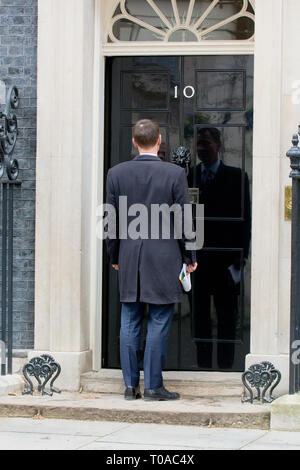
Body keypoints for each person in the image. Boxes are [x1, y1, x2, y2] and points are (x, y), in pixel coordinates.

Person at [106, 119, 197, 401]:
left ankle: (130, 387)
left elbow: (111, 220)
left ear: (135, 141)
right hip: (165, 257)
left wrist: (114, 255)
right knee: (159, 320)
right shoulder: (174, 173)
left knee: (129, 319)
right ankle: (154, 387)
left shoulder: (116, 173)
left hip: (130, 255)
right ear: (159, 142)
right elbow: (185, 218)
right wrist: (190, 255)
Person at [189, 127, 251, 369]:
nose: (201, 148)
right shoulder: (189, 176)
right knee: (199, 319)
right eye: (199, 144)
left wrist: (242, 254)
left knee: (227, 318)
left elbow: (245, 218)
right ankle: (203, 367)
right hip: (198, 262)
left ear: (218, 145)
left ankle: (225, 367)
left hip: (227, 262)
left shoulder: (237, 176)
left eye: (206, 143)